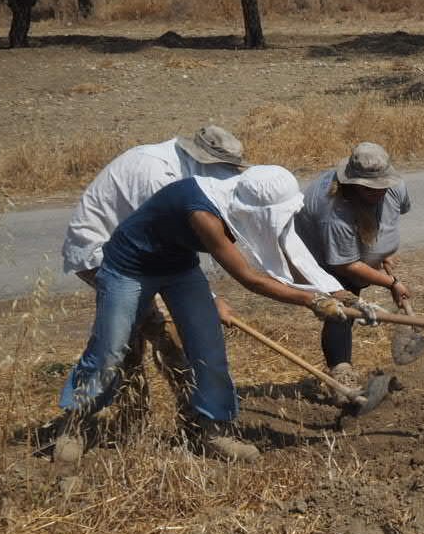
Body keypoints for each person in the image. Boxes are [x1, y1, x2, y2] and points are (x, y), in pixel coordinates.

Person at [55, 165, 377, 464]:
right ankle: (76, 423)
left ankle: (213, 432)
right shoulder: (204, 213)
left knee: (208, 347)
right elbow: (250, 279)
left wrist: (338, 295)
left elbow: (290, 247)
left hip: (178, 267)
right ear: (257, 210)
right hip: (129, 267)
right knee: (111, 347)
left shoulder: (250, 192)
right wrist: (311, 301)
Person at [60, 126, 247, 428]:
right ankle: (88, 419)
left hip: (158, 258)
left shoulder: (189, 174)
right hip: (104, 253)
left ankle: (171, 418)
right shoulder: (157, 174)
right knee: (148, 334)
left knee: (150, 335)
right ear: (202, 159)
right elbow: (157, 238)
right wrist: (212, 299)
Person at [295, 142, 412, 394]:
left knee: (348, 304)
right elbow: (345, 265)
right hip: (324, 261)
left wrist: (384, 253)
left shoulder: (395, 187)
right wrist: (391, 283)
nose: (379, 191)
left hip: (353, 255)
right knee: (342, 309)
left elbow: (390, 217)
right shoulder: (334, 211)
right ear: (354, 184)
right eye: (371, 189)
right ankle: (341, 375)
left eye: (383, 185)